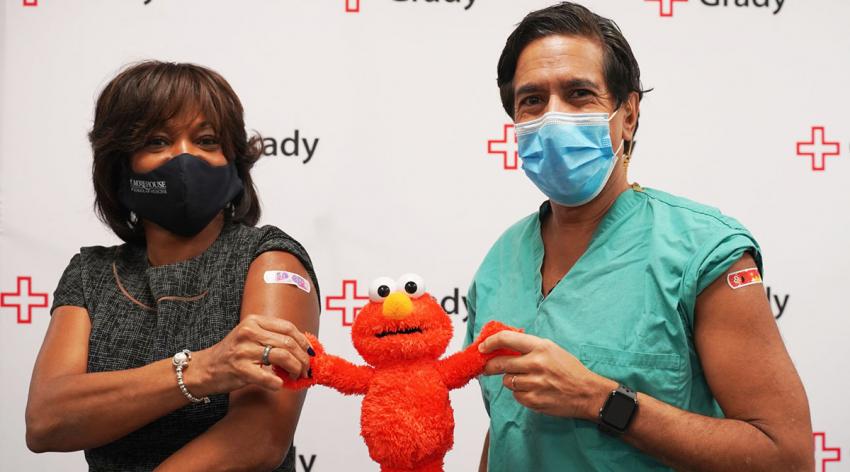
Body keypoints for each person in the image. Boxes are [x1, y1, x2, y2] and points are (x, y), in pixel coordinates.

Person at [465, 3, 813, 471]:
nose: (553, 117)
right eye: (533, 101)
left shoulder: (702, 252)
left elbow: (786, 456)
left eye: (578, 93)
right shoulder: (499, 262)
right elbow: (508, 425)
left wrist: (599, 398)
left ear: (627, 114)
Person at [25, 61, 320, 472]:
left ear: (232, 161)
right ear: (122, 164)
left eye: (207, 140)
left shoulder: (269, 258)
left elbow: (259, 438)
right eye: (158, 141)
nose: (185, 157)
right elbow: (47, 421)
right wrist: (201, 370)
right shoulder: (90, 273)